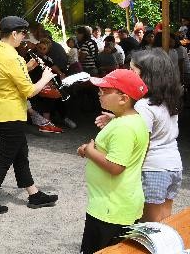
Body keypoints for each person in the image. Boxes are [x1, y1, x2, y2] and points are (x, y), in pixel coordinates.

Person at [0, 16, 59, 215]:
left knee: (21, 155)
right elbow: (29, 91)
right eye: (23, 34)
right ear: (14, 34)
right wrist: (46, 77)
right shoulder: (11, 56)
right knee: (5, 158)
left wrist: (28, 67)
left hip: (0, 108)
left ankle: (34, 194)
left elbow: (3, 75)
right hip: (10, 112)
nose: (24, 38)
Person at [96, 49, 183, 222]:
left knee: (148, 227)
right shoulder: (167, 100)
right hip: (173, 166)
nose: (129, 75)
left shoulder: (143, 105)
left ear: (149, 76)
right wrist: (115, 118)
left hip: (152, 169)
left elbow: (142, 140)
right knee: (165, 222)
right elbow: (156, 128)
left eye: (133, 71)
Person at [78, 69, 149, 253]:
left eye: (104, 90)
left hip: (109, 210)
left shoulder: (124, 128)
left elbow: (116, 166)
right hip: (119, 204)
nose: (99, 93)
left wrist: (90, 151)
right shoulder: (132, 120)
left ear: (123, 98)